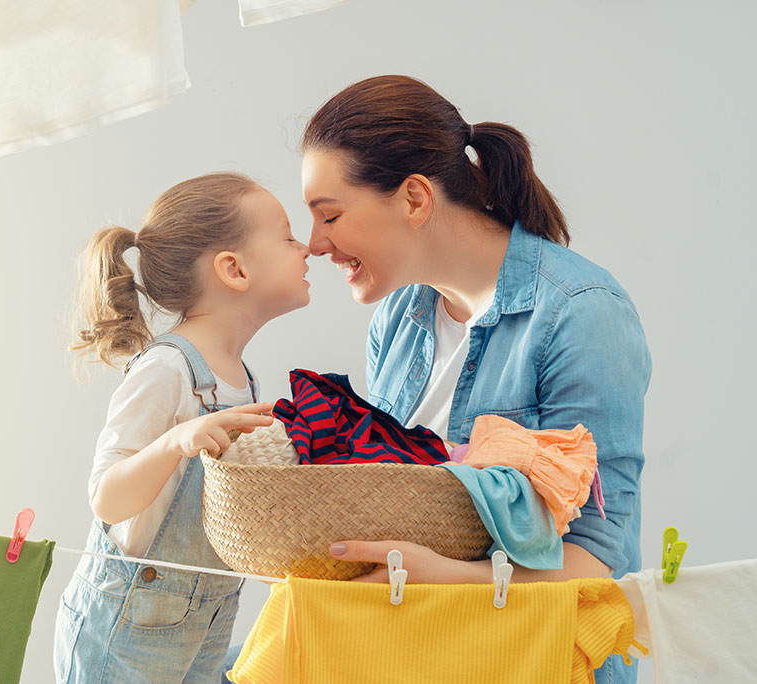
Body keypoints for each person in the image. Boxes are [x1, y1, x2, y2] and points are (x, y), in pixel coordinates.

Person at [222, 74, 651, 684]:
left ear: (416, 198)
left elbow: (600, 562)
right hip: (416, 652)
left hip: (536, 662)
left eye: (331, 215)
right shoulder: (399, 317)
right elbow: (392, 495)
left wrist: (448, 577)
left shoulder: (582, 313)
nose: (315, 244)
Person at [55, 171, 312, 684]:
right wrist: (175, 442)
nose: (306, 248)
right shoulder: (167, 369)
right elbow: (107, 497)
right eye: (287, 236)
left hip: (207, 619)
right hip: (129, 628)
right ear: (234, 269)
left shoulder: (241, 377)